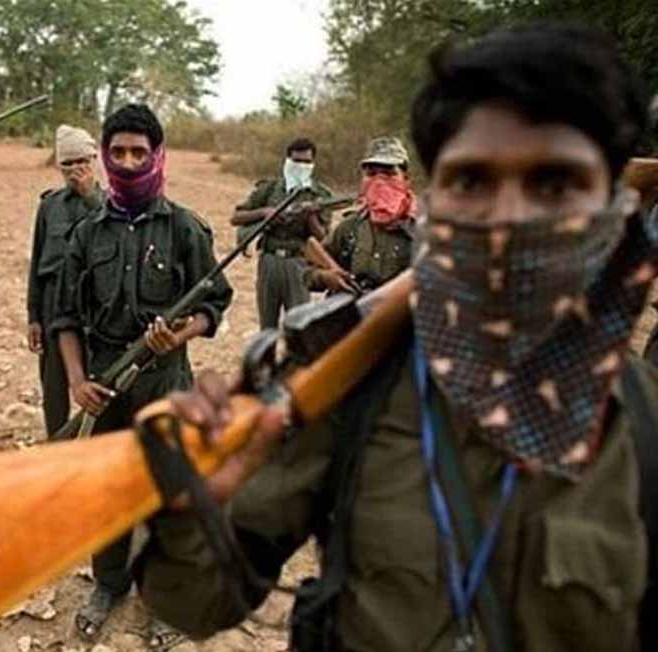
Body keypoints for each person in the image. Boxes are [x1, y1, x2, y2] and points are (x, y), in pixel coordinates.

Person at [132, 24, 656, 652]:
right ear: (435, 203)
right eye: (472, 181)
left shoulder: (644, 422)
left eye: (555, 184)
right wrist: (192, 514)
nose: (507, 217)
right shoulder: (352, 384)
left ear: (612, 209)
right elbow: (196, 604)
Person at [51, 103, 233, 647]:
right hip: (104, 384)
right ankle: (109, 584)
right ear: (105, 156)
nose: (128, 162)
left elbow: (215, 302)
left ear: (157, 155)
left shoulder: (184, 228)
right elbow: (64, 318)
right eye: (118, 152)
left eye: (139, 152)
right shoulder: (86, 234)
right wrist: (77, 382)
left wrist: (179, 334)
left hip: (166, 381)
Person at [26, 125, 105, 437]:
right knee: (54, 383)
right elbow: (37, 263)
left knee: (97, 380)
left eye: (82, 161)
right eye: (67, 164)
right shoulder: (50, 206)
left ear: (94, 160)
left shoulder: (110, 203)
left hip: (94, 304)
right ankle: (56, 442)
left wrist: (90, 197)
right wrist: (33, 316)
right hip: (53, 302)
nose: (75, 170)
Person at [232, 138, 334, 328]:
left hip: (299, 265)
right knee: (267, 325)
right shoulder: (270, 188)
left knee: (299, 326)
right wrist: (265, 213)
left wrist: (310, 216)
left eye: (307, 162)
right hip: (269, 261)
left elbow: (324, 238)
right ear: (288, 160)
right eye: (297, 161)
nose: (301, 166)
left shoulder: (320, 194)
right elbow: (236, 217)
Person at [305, 136, 417, 295]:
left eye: (388, 174)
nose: (379, 183)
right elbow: (308, 272)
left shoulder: (425, 232)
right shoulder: (351, 227)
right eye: (371, 174)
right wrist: (325, 277)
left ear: (406, 179)